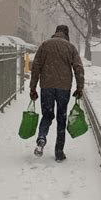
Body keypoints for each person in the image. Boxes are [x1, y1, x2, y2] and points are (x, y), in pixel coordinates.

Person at [29, 25, 84, 162]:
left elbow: (36, 66)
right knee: (61, 118)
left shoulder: (44, 45)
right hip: (63, 88)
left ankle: (42, 137)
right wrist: (79, 87)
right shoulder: (70, 48)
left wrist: (33, 87)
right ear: (66, 34)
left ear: (56, 32)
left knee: (47, 115)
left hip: (47, 86)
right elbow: (78, 68)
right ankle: (59, 152)